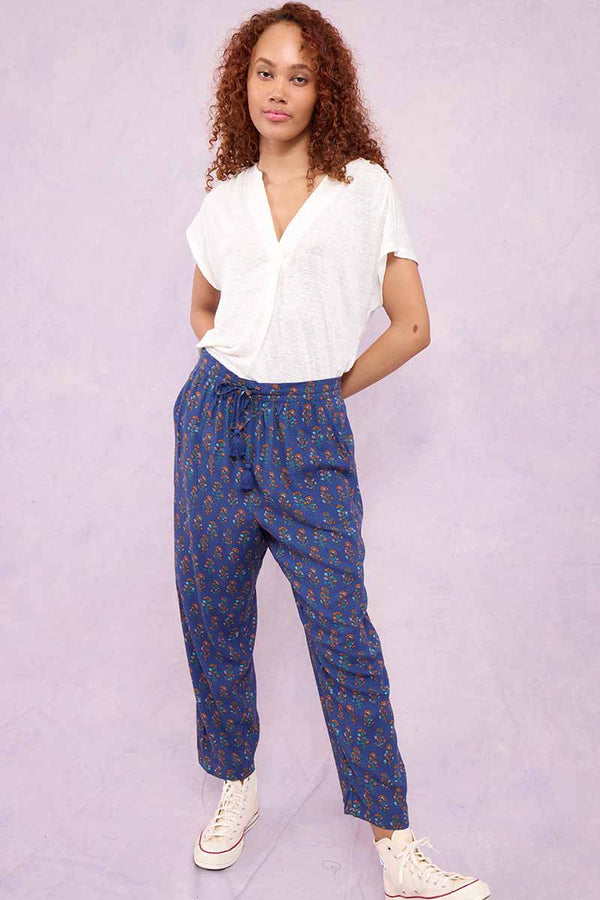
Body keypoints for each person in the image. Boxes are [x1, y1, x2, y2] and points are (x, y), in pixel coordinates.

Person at [173, 4, 492, 898]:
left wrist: (319, 393)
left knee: (343, 636)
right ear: (242, 83)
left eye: (300, 76)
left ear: (326, 92)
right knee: (212, 617)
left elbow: (413, 325)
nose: (278, 90)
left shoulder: (363, 189)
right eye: (264, 71)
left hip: (306, 430)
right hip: (214, 425)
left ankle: (397, 848)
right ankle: (237, 784)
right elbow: (203, 308)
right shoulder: (225, 203)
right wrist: (231, 372)